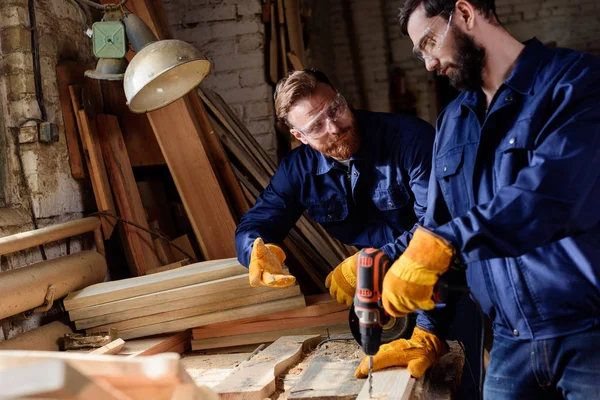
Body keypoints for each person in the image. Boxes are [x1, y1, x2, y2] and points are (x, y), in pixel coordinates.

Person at [356, 0, 600, 398]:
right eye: (421, 53)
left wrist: (445, 244)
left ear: (465, 13)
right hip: (508, 341)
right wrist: (427, 331)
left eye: (431, 42)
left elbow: (551, 195)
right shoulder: (453, 121)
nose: (430, 64)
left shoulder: (576, 83)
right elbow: (437, 227)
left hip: (588, 335)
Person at [234, 68, 434, 311]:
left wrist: (376, 261)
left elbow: (437, 223)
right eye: (316, 125)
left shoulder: (410, 138)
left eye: (335, 110)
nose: (334, 127)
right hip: (385, 292)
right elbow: (256, 223)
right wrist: (256, 251)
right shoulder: (297, 170)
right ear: (300, 136)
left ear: (343, 99)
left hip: (441, 277)